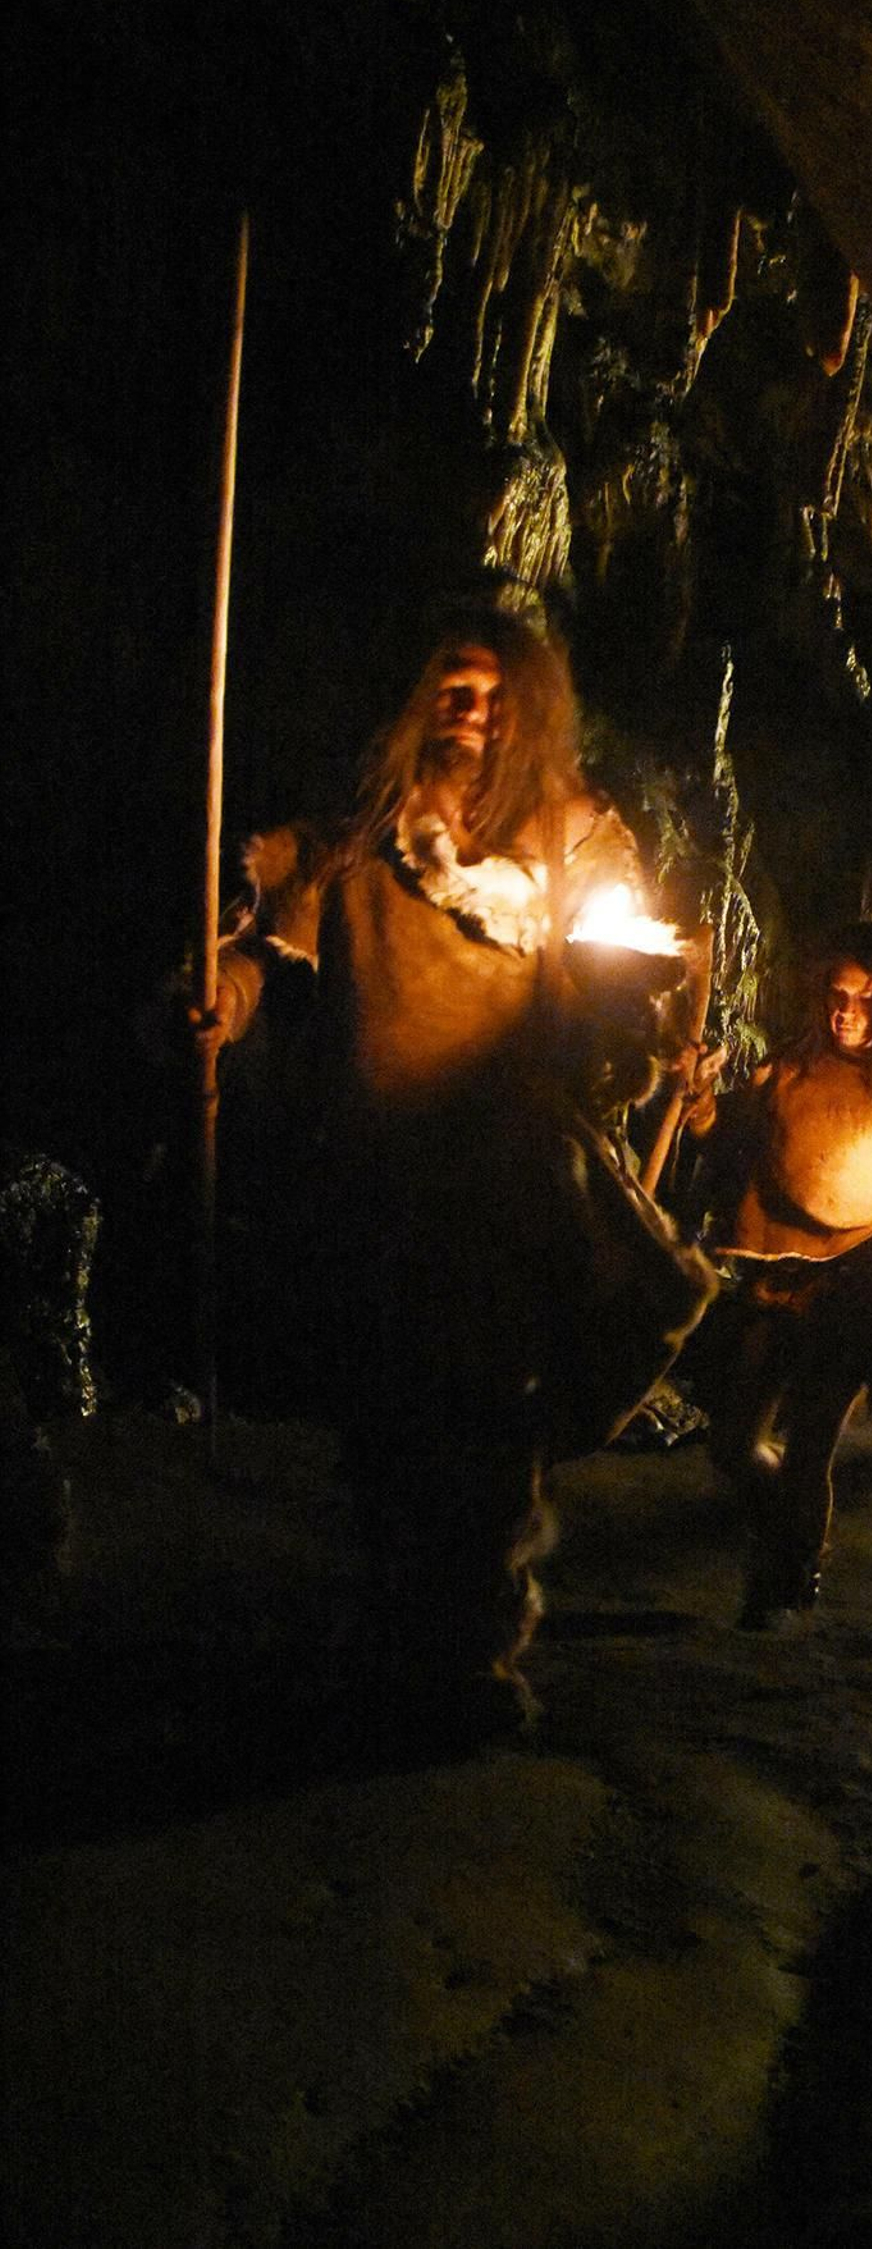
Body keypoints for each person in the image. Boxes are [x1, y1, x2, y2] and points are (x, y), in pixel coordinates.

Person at [206, 605, 715, 1743]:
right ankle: (396, 1634)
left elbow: (617, 1049)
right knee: (386, 1432)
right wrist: (214, 1004)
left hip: (505, 1199)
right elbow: (255, 963)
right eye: (454, 688)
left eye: (495, 695)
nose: (472, 713)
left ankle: (468, 1662)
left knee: (486, 1434)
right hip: (375, 1187)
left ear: (529, 712)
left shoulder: (578, 846)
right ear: (420, 700)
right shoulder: (354, 842)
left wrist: (629, 1005)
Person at [687, 921, 872, 1628]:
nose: (846, 1010)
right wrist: (698, 1110)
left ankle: (789, 1576)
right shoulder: (787, 1072)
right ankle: (784, 1540)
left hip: (858, 1288)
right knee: (733, 1444)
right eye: (838, 993)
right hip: (777, 1275)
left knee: (811, 1446)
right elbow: (734, 1145)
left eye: (868, 998)